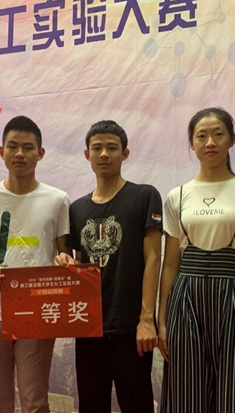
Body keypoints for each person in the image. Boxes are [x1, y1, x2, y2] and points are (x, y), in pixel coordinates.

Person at [158, 107, 235, 413]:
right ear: (191, 144)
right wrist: (162, 321)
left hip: (234, 296)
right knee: (185, 393)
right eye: (202, 136)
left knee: (234, 393)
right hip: (185, 299)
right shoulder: (177, 196)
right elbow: (170, 264)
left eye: (218, 134)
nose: (210, 142)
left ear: (231, 140)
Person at [0, 116, 70, 413]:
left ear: (41, 153)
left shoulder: (57, 200)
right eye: (13, 146)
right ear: (1, 151)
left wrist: (65, 260)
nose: (20, 153)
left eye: (28, 147)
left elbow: (65, 253)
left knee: (35, 402)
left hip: (37, 313)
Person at [55, 120, 163, 413]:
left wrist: (146, 319)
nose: (104, 154)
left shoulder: (145, 196)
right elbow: (79, 263)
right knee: (91, 406)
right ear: (87, 154)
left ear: (125, 153)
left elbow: (154, 259)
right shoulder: (77, 208)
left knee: (137, 405)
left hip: (131, 328)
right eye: (97, 148)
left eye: (112, 148)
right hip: (88, 326)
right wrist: (66, 262)